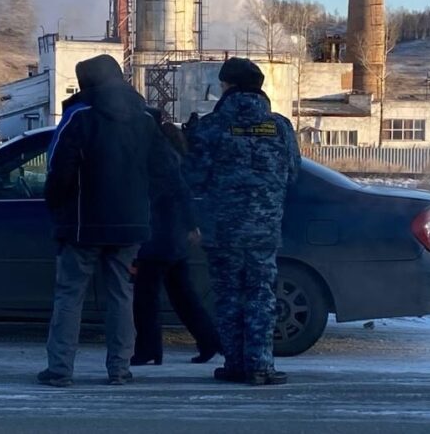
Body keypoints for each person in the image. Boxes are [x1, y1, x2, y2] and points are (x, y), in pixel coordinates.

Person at [37, 54, 189, 387]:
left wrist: (57, 207)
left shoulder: (79, 118)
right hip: (131, 225)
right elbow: (167, 170)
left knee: (70, 296)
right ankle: (119, 369)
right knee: (121, 295)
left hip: (82, 225)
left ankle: (60, 370)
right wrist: (146, 206)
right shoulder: (145, 119)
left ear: (85, 83)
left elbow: (58, 170)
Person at [187, 57, 301, 386]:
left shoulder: (211, 127)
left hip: (223, 229)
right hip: (264, 229)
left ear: (228, 86)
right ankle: (260, 365)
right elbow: (293, 173)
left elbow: (193, 177)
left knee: (228, 296)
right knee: (261, 295)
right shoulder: (280, 126)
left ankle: (235, 364)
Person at [131, 112, 221, 367]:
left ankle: (148, 349)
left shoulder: (155, 152)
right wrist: (190, 225)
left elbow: (178, 190)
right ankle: (209, 340)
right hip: (172, 235)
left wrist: (191, 224)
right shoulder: (168, 149)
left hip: (158, 236)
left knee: (146, 296)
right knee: (183, 295)